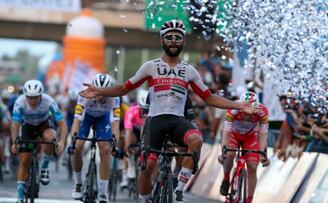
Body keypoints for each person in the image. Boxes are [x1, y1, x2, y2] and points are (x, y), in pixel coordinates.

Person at [79, 19, 258, 203]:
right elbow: (124, 88)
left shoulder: (189, 71)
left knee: (196, 140)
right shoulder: (150, 66)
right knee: (147, 166)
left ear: (183, 42)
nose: (173, 41)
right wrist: (100, 90)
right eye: (169, 37)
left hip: (177, 121)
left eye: (177, 38)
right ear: (162, 41)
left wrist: (239, 105)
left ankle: (178, 191)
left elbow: (209, 98)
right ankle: (145, 199)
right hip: (155, 120)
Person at [10, 80, 67, 203]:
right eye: (29, 98)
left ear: (41, 95)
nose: (32, 101)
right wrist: (14, 142)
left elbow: (62, 123)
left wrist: (61, 141)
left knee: (51, 139)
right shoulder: (19, 102)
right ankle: (20, 195)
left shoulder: (49, 101)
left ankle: (45, 168)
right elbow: (15, 125)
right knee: (24, 159)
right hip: (27, 126)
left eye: (35, 98)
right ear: (25, 96)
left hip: (44, 124)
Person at [69, 74, 121, 203]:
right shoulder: (84, 97)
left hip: (103, 119)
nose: (102, 97)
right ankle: (78, 183)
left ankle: (103, 192)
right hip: (86, 118)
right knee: (78, 146)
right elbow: (76, 121)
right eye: (98, 93)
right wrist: (73, 142)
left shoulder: (114, 98)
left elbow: (115, 123)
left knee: (105, 149)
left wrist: (116, 145)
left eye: (105, 94)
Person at [218, 91, 270, 203]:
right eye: (245, 110)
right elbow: (226, 133)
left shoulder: (262, 112)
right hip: (233, 134)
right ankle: (226, 178)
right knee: (230, 154)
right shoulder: (233, 109)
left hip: (250, 137)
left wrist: (263, 154)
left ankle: (249, 200)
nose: (248, 115)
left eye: (252, 112)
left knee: (252, 166)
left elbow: (263, 135)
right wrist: (223, 152)